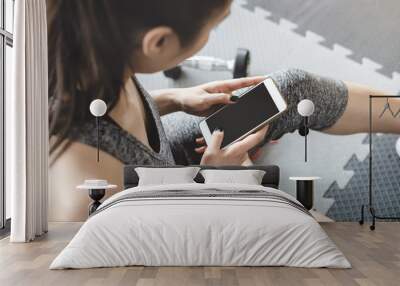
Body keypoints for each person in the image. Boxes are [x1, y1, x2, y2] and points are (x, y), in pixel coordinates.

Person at [48, 0, 398, 221]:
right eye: (214, 26)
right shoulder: (88, 192)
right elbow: (170, 251)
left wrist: (177, 98)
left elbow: (125, 122)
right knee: (314, 229)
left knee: (293, 89)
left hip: (168, 169)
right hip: (177, 209)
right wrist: (218, 181)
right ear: (158, 43)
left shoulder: (89, 37)